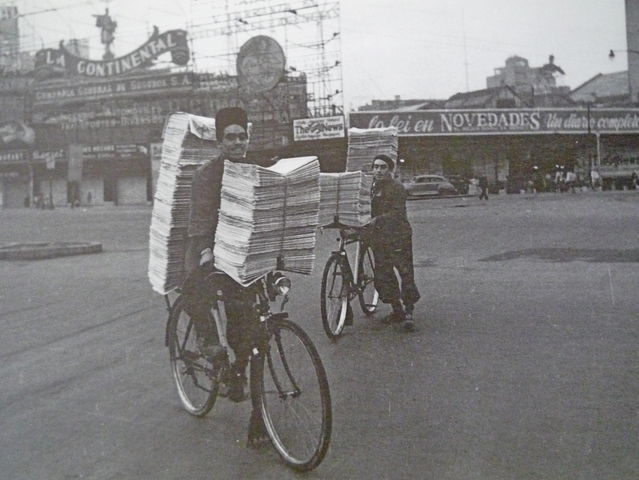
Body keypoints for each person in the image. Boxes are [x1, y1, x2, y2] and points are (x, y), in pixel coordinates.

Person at [181, 107, 267, 444]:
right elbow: (200, 219)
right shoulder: (207, 174)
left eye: (242, 136)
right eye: (230, 137)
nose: (237, 142)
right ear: (219, 141)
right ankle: (212, 348)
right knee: (196, 292)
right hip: (207, 248)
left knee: (246, 321)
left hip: (242, 251)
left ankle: (240, 370)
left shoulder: (255, 169)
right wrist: (206, 251)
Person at [366, 154, 420, 332]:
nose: (378, 170)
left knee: (405, 272)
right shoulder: (372, 188)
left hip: (398, 236)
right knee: (383, 275)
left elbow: (397, 213)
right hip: (379, 237)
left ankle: (409, 312)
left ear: (390, 169)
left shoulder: (396, 188)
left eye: (382, 167)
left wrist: (377, 220)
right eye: (375, 167)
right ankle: (397, 309)